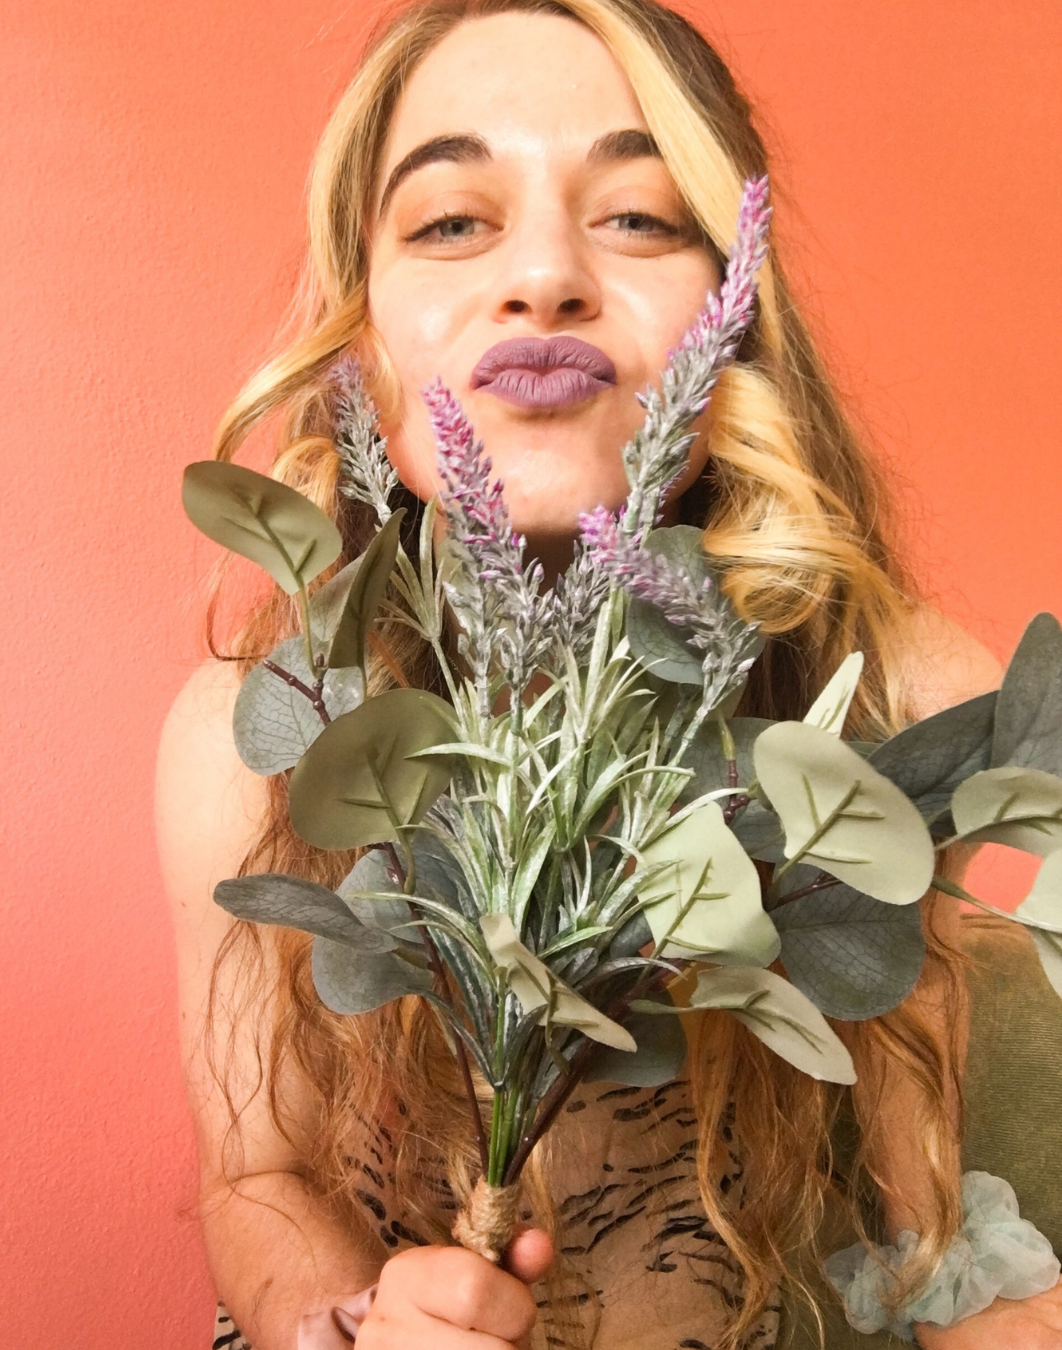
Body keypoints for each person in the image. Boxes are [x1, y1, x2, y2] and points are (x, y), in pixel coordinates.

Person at [155, 2, 1061, 1347]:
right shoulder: (257, 731)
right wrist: (344, 1323)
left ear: (733, 319)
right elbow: (256, 1176)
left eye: (638, 216)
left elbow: (930, 1234)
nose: (544, 277)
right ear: (362, 330)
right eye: (451, 221)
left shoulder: (893, 699)